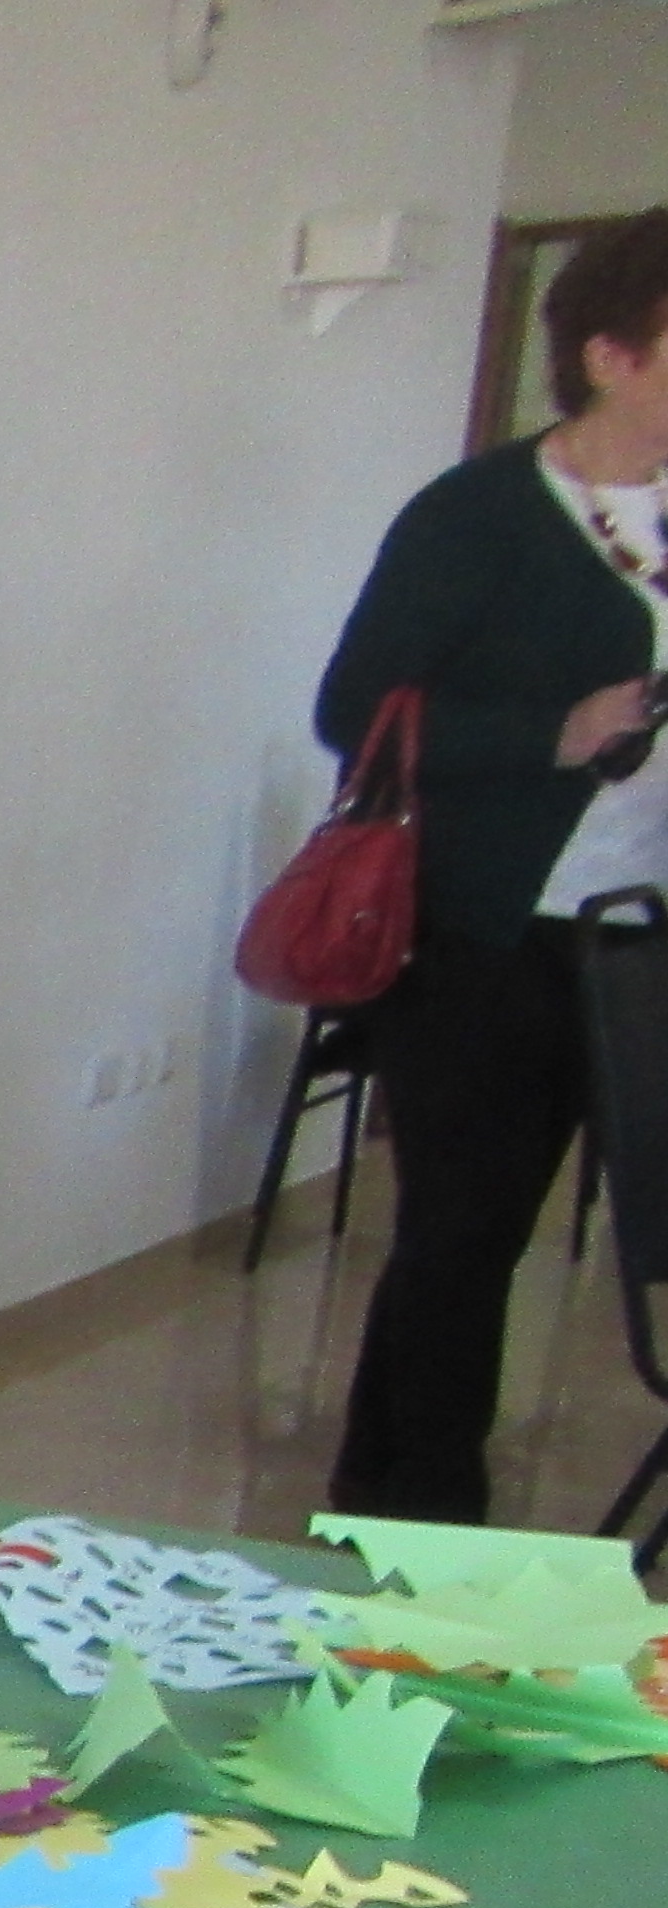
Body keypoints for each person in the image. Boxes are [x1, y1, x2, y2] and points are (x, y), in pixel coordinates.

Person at [315, 208, 668, 1523]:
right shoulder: (479, 515)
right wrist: (554, 731)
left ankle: (375, 1479)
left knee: (493, 1238)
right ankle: (429, 1520)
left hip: (638, 929)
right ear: (611, 357)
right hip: (485, 930)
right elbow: (355, 710)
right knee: (465, 1236)